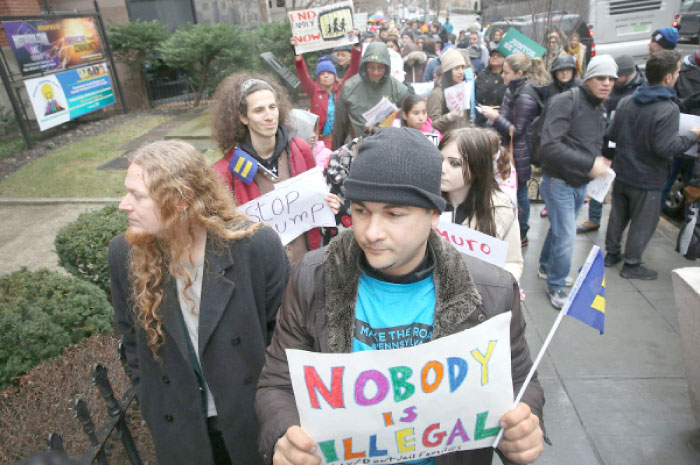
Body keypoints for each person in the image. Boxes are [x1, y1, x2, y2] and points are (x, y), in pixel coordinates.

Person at [255, 127, 545, 465]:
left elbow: (520, 379)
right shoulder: (313, 276)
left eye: (394, 214)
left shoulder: (491, 290)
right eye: (362, 211)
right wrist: (283, 433)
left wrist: (524, 426)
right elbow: (278, 382)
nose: (372, 232)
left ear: (434, 213)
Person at [109, 140, 291, 465]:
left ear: (179, 200)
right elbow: (131, 342)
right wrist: (153, 399)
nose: (124, 204)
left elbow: (287, 339)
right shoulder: (124, 254)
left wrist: (281, 411)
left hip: (252, 417)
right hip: (181, 426)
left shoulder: (254, 247)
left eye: (138, 196)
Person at [605, 50, 700, 279]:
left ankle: (611, 254)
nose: (679, 75)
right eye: (677, 72)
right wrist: (693, 135)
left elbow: (612, 133)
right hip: (648, 179)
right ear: (668, 77)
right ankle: (632, 264)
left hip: (623, 172)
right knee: (643, 223)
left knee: (618, 216)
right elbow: (666, 148)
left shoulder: (628, 101)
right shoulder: (668, 109)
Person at [210, 74, 322, 262]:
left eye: (272, 107)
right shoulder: (224, 171)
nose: (269, 116)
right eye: (259, 110)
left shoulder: (300, 149)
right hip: (263, 270)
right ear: (243, 117)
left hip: (306, 265)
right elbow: (222, 231)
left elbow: (315, 199)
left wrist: (326, 201)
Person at [536, 55, 617, 308]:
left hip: (579, 182)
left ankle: (545, 267)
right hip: (558, 180)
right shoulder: (565, 101)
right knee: (567, 235)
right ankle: (557, 286)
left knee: (561, 228)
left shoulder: (599, 107)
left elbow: (586, 141)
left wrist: (599, 160)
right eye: (600, 77)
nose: (607, 83)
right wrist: (589, 164)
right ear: (588, 78)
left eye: (611, 79)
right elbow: (549, 146)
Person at [480, 53, 550, 248]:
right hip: (512, 150)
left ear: (519, 73)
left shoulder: (525, 96)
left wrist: (494, 117)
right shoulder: (515, 89)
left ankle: (522, 233)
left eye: (507, 72)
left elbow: (516, 131)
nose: (503, 75)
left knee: (519, 193)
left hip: (519, 153)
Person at [440, 127, 524, 281]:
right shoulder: (425, 204)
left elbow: (512, 262)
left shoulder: (500, 209)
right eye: (440, 160)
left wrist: (496, 293)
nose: (442, 169)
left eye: (455, 163)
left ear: (477, 167)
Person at [577, 54, 645, 234]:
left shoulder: (639, 90)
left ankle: (619, 223)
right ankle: (594, 218)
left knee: (620, 188)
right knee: (599, 180)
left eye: (615, 78)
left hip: (625, 144)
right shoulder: (611, 89)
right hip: (605, 139)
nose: (611, 82)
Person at [333, 41, 410, 147]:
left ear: (386, 67)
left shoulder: (398, 89)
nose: (376, 72)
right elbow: (340, 124)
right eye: (371, 67)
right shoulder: (349, 87)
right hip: (357, 145)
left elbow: (409, 118)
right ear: (365, 66)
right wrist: (336, 150)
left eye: (380, 68)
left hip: (388, 146)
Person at [291, 38, 361, 149]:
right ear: (318, 77)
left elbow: (353, 69)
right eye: (322, 73)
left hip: (343, 140)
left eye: (329, 73)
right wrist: (297, 53)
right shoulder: (313, 91)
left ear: (334, 75)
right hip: (322, 142)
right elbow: (303, 74)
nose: (326, 75)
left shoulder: (342, 87)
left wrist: (356, 48)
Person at [427, 48, 475, 133]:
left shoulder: (463, 90)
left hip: (463, 141)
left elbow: (468, 119)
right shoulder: (437, 94)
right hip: (446, 142)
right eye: (456, 68)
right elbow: (431, 125)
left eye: (462, 68)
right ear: (448, 72)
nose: (461, 72)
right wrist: (449, 117)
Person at [475, 48, 506, 127]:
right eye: (492, 55)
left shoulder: (506, 77)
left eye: (498, 56)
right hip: (480, 116)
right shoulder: (482, 74)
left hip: (498, 117)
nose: (495, 57)